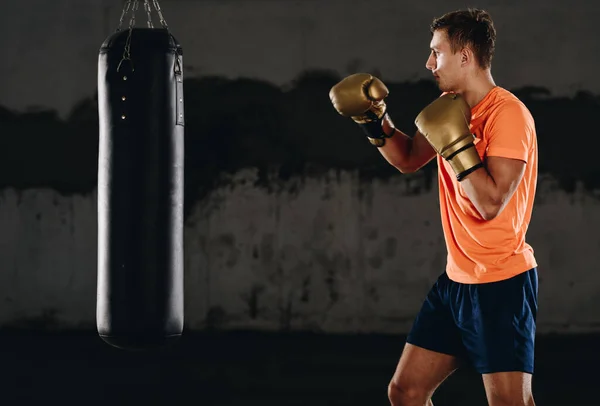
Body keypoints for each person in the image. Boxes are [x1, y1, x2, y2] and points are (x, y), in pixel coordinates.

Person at [329, 8, 538, 406]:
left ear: (465, 56)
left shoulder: (508, 115)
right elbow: (407, 157)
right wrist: (374, 120)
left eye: (436, 53)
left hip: (500, 284)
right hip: (455, 282)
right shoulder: (450, 106)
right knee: (405, 392)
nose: (429, 64)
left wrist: (458, 144)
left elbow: (491, 202)